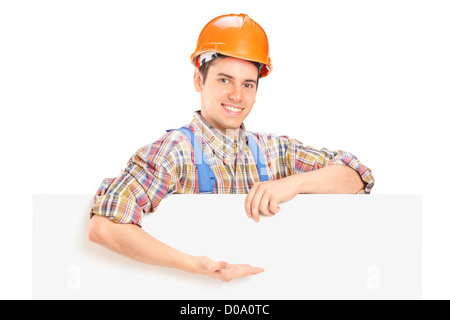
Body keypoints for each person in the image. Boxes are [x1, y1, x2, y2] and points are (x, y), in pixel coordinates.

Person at [88, 13, 375, 282]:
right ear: (199, 80)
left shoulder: (275, 151)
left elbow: (356, 176)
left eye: (248, 85)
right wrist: (193, 265)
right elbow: (105, 226)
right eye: (224, 80)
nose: (237, 95)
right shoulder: (174, 151)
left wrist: (294, 184)